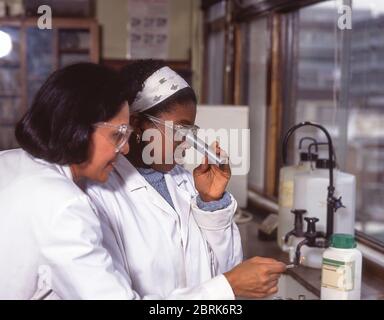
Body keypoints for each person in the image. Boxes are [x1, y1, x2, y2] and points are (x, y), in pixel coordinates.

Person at [84, 60, 286, 299]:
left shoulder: (185, 181)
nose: (186, 141)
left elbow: (229, 272)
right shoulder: (100, 194)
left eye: (190, 131)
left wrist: (212, 202)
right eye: (180, 130)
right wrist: (225, 288)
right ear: (136, 125)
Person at [0, 63, 137, 299]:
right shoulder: (62, 203)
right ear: (78, 129)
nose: (125, 148)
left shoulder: (8, 161)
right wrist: (219, 290)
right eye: (117, 135)